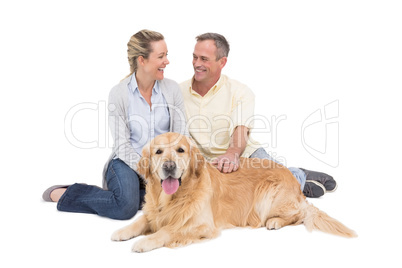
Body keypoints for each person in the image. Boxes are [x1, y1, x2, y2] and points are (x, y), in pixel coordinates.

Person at [42, 30, 187, 219]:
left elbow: (180, 136)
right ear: (142, 60)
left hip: (164, 163)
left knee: (180, 200)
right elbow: (122, 145)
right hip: (126, 162)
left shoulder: (172, 89)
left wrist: (170, 166)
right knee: (126, 207)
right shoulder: (119, 94)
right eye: (161, 56)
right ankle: (68, 193)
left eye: (166, 55)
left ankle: (124, 195)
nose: (167, 61)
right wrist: (150, 172)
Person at [180, 33, 337, 198]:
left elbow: (240, 129)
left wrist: (232, 153)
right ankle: (297, 177)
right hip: (206, 162)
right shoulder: (178, 92)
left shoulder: (240, 91)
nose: (197, 63)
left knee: (274, 185)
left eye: (204, 59)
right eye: (194, 57)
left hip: (244, 153)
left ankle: (297, 177)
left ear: (222, 62)